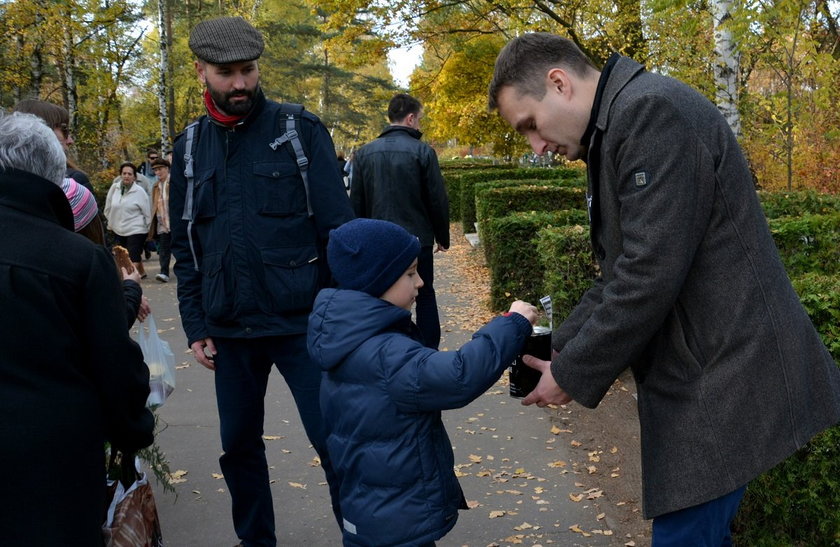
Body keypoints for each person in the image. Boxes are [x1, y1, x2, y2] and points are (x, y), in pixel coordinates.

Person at [488, 32, 840, 544]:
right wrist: (561, 343)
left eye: (530, 126)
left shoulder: (650, 113)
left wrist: (571, 370)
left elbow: (646, 275)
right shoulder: (621, 121)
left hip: (724, 375)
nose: (537, 147)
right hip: (706, 371)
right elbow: (622, 270)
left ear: (558, 83)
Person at [168, 16, 354, 546]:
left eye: (248, 70)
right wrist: (195, 323)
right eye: (227, 73)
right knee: (239, 450)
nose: (242, 84)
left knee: (335, 442)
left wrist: (343, 318)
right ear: (201, 70)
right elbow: (186, 248)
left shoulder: (300, 132)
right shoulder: (187, 149)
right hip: (229, 331)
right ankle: (256, 541)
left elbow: (338, 233)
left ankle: (363, 534)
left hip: (304, 327)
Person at [307, 218, 538, 546]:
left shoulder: (346, 336)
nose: (421, 283)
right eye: (410, 273)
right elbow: (460, 375)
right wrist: (511, 324)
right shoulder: (387, 354)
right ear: (378, 282)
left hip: (369, 511)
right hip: (398, 522)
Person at [0, 111, 154, 545]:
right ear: (56, 176)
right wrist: (133, 430)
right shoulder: (77, 259)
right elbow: (113, 363)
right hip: (52, 467)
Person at [350, 93, 450, 349]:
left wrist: (358, 242)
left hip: (377, 240)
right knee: (425, 294)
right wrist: (442, 237)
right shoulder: (423, 152)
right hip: (417, 240)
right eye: (419, 120)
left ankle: (383, 347)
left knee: (380, 295)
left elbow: (356, 202)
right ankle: (428, 351)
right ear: (410, 118)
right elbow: (437, 200)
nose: (419, 125)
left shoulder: (364, 153)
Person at [12, 99, 95, 197]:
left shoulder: (9, 180)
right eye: (65, 130)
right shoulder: (73, 187)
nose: (70, 140)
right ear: (41, 131)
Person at [104, 162, 151, 278]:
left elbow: (147, 212)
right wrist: (110, 222)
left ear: (134, 177)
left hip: (136, 228)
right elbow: (108, 206)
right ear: (120, 175)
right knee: (122, 256)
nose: (126, 176)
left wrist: (149, 229)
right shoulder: (114, 188)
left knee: (133, 255)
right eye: (124, 173)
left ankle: (130, 281)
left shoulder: (139, 191)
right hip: (118, 228)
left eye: (129, 174)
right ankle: (141, 272)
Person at [147, 157, 172, 283]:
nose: (158, 172)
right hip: (162, 222)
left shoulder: (173, 182)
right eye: (155, 170)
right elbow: (154, 204)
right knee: (163, 249)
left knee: (180, 248)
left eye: (160, 169)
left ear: (167, 168)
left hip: (175, 221)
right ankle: (164, 272)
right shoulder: (155, 186)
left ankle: (187, 270)